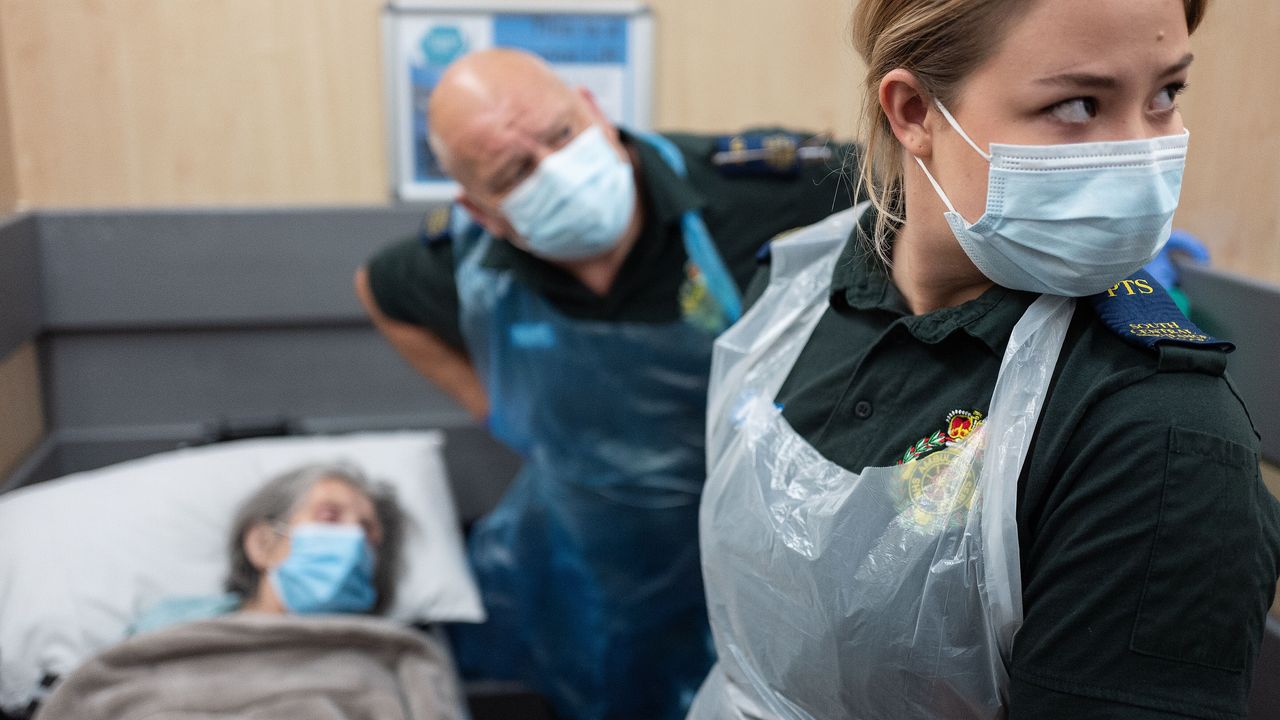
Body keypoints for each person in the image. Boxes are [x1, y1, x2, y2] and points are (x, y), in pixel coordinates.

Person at [689, 1, 1280, 719]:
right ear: (915, 112)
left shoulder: (1160, 437)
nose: (1141, 151)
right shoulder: (798, 286)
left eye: (1166, 94)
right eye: (1078, 104)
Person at [353, 48, 858, 720]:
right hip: (597, 563)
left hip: (766, 549)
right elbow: (377, 289)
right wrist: (499, 409)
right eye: (515, 171)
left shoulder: (761, 190)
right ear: (483, 212)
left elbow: (913, 198)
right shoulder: (471, 265)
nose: (554, 167)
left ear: (594, 110)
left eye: (560, 134)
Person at [131, 462, 404, 633]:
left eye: (367, 532)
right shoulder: (170, 626)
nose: (353, 537)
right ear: (262, 543)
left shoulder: (391, 657)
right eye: (329, 517)